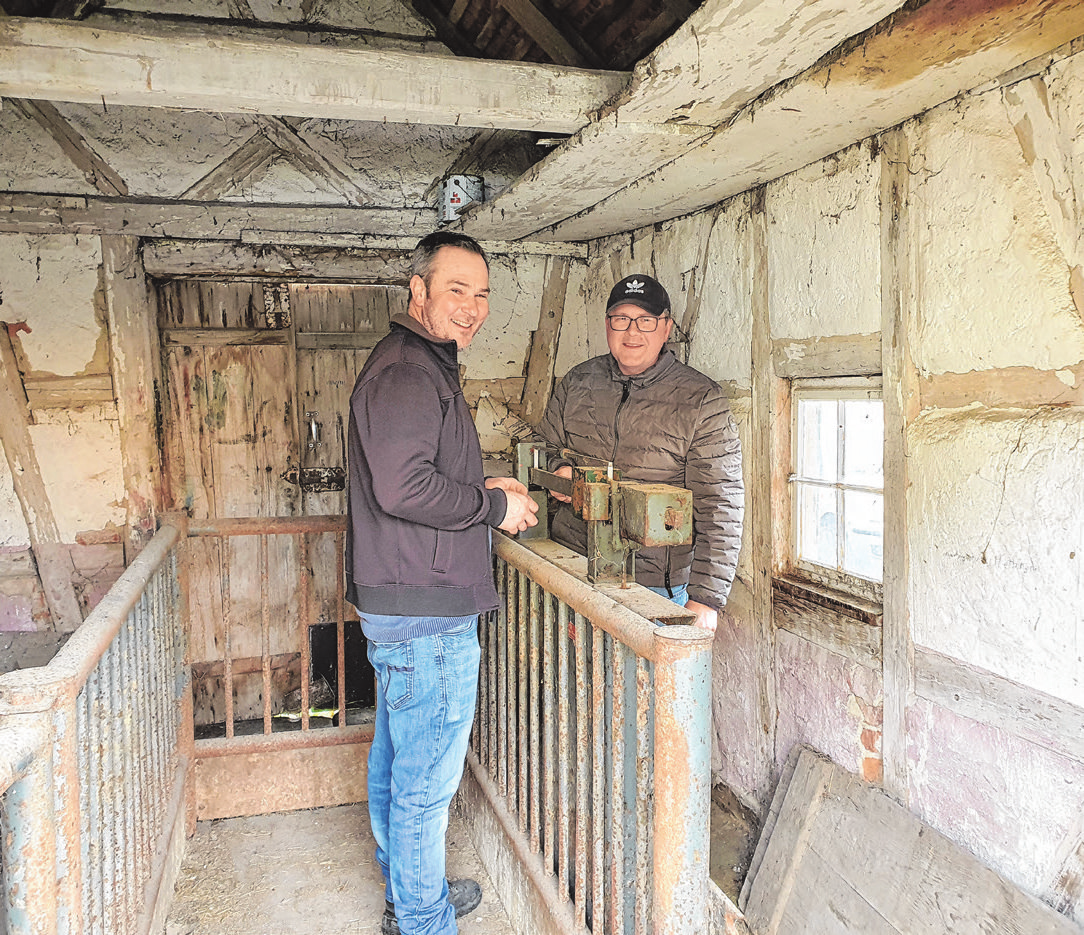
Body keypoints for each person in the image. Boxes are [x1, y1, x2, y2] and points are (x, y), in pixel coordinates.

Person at [345, 231, 538, 935]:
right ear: (417, 291)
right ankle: (424, 920)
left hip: (406, 604)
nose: (473, 306)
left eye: (483, 293)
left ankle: (409, 889)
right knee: (425, 790)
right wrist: (491, 506)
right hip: (426, 614)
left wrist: (479, 483)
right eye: (457, 289)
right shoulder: (406, 372)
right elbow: (402, 486)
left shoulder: (421, 365)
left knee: (399, 763)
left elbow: (415, 476)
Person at [538, 273, 743, 631]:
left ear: (666, 327)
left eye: (645, 321)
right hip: (571, 565)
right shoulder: (578, 381)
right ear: (607, 325)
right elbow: (543, 447)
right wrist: (559, 469)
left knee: (640, 687)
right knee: (571, 682)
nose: (632, 333)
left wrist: (706, 597)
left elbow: (719, 505)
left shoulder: (701, 400)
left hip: (651, 586)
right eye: (621, 320)